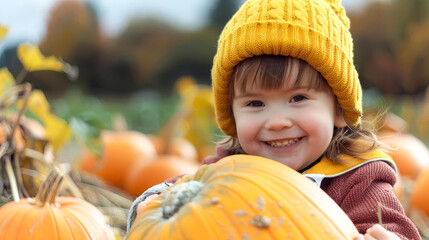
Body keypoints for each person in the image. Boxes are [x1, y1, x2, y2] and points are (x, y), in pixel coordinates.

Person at [127, 0, 421, 239]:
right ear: (233, 114)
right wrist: (152, 204)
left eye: (298, 98)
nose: (277, 122)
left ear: (338, 109)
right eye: (255, 103)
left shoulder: (358, 178)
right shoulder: (232, 167)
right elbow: (182, 189)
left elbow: (396, 229)